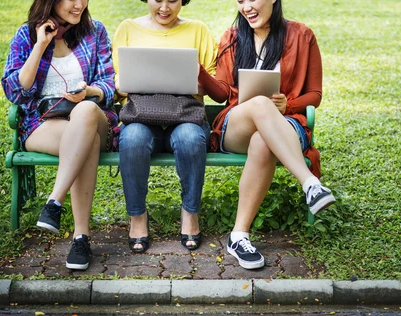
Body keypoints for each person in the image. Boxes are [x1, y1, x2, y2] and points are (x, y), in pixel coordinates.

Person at [198, 0, 335, 270]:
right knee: (260, 104)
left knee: (263, 141)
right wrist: (200, 72)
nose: (246, 7)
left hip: (284, 124)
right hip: (236, 126)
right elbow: (223, 93)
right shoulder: (232, 37)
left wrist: (288, 105)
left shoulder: (302, 35)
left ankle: (238, 236)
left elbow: (315, 95)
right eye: (240, 1)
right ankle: (310, 185)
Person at [1, 0, 119, 271]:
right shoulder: (26, 35)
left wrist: (88, 91)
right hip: (43, 125)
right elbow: (16, 92)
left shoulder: (94, 31)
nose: (79, 4)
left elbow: (109, 87)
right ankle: (81, 237)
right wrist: (41, 45)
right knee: (88, 143)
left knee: (86, 111)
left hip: (93, 116)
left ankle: (55, 201)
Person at [112, 0, 217, 253]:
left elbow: (213, 84)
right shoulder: (127, 28)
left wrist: (194, 76)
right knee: (134, 138)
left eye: (172, 0)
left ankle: (190, 214)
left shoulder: (198, 30)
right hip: (141, 117)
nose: (164, 7)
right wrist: (123, 83)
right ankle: (137, 218)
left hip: (185, 118)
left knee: (191, 138)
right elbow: (116, 83)